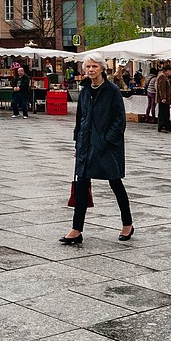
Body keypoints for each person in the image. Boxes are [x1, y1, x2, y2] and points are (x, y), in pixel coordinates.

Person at [61, 56, 134, 245]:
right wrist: (78, 141)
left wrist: (106, 140)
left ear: (102, 69)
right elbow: (80, 118)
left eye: (94, 66)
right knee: (82, 185)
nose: (90, 70)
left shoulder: (112, 91)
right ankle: (76, 229)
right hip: (86, 144)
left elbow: (120, 120)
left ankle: (127, 224)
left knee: (115, 184)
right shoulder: (85, 90)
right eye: (88, 66)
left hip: (107, 146)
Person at [155, 66, 171, 132]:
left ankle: (167, 126)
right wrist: (163, 97)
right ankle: (161, 127)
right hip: (163, 98)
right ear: (167, 70)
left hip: (165, 98)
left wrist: (170, 87)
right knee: (163, 113)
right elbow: (161, 88)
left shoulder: (164, 76)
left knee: (166, 112)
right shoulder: (162, 76)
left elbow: (164, 86)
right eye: (170, 71)